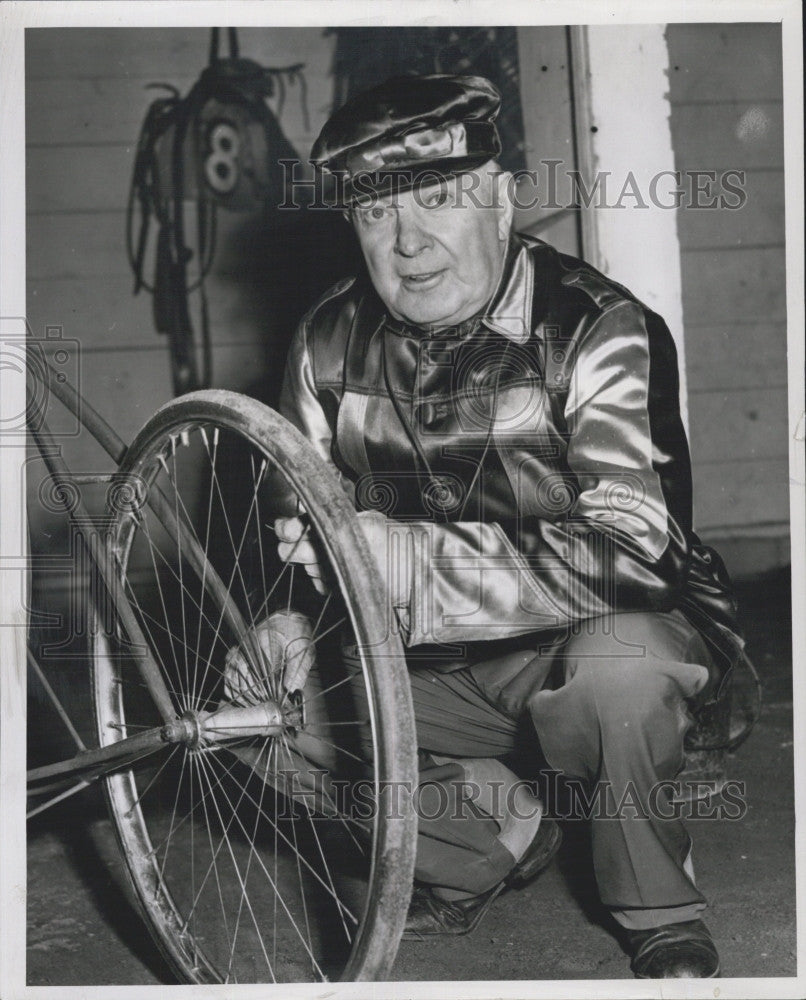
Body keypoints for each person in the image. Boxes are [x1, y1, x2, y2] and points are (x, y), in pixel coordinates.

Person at [263, 74, 744, 979]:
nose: (406, 242)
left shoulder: (599, 327)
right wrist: (286, 614)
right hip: (428, 665)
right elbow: (301, 522)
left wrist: (411, 562)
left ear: (499, 195)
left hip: (579, 640)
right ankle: (494, 841)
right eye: (374, 214)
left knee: (622, 667)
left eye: (437, 199)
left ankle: (653, 902)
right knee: (252, 714)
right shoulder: (325, 340)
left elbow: (632, 555)